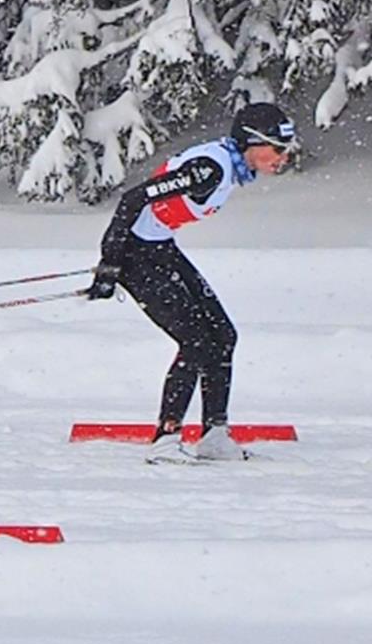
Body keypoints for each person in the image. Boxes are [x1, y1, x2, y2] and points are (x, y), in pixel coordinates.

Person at [87, 103, 300, 462]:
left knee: (223, 336)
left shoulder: (230, 167)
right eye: (278, 149)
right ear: (252, 142)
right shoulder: (208, 170)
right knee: (197, 341)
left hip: (160, 249)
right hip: (136, 256)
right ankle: (166, 439)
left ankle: (214, 436)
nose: (283, 157)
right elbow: (133, 199)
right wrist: (110, 263)